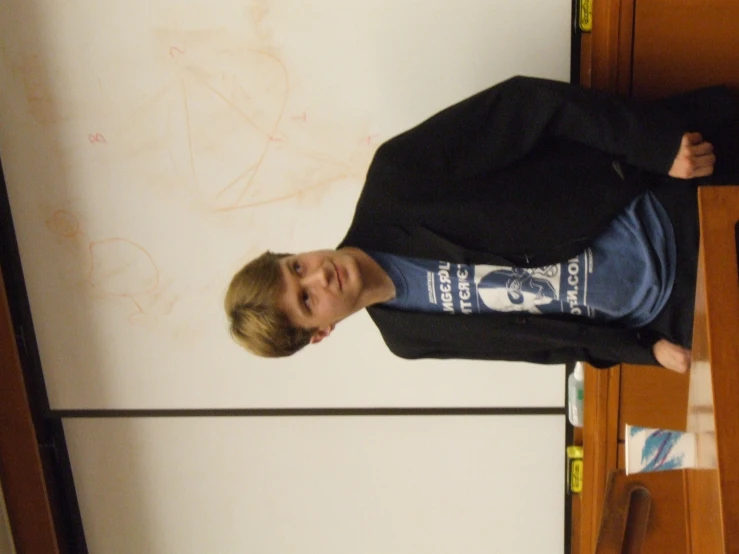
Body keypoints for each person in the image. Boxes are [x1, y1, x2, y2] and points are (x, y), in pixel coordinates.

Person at [225, 76, 738, 371]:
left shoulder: (396, 179)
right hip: (681, 311)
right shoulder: (408, 337)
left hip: (678, 197)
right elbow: (543, 343)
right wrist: (645, 351)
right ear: (319, 333)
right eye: (306, 300)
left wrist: (655, 144)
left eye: (297, 267)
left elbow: (528, 105)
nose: (318, 275)